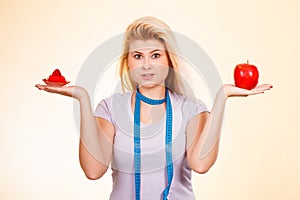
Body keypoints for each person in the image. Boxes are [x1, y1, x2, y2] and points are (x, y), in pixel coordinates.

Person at [35, 16, 272, 200]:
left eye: (156, 55)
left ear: (169, 59)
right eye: (137, 56)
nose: (146, 65)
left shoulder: (191, 109)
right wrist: (83, 100)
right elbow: (93, 171)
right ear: (128, 62)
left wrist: (222, 97)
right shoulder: (110, 108)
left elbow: (201, 165)